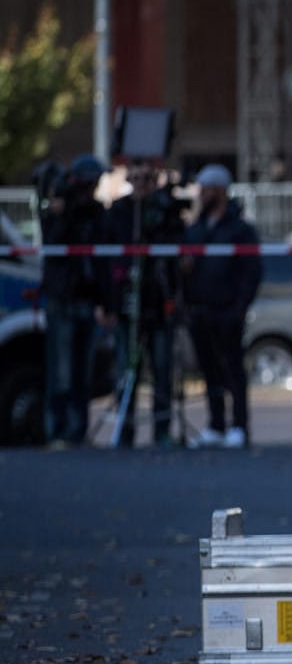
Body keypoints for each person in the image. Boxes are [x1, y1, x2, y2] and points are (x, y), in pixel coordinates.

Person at [102, 162, 187, 447]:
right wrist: (109, 304)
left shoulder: (163, 212)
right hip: (128, 306)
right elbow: (107, 259)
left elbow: (178, 252)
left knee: (162, 370)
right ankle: (125, 431)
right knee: (128, 370)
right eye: (136, 178)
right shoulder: (118, 213)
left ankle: (162, 430)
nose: (142, 184)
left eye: (148, 179)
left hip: (158, 302)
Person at [181, 165, 262, 449]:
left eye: (205, 190)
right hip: (200, 310)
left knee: (233, 370)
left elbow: (251, 272)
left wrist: (239, 307)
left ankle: (239, 426)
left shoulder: (239, 229)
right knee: (209, 371)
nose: (201, 196)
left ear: (219, 191)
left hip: (227, 311)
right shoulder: (196, 228)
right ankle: (216, 424)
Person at [39, 155, 109, 448]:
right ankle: (57, 430)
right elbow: (53, 245)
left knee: (82, 370)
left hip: (86, 299)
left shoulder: (95, 212)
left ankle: (78, 431)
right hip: (62, 299)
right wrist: (62, 212)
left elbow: (103, 257)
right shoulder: (58, 211)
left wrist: (104, 300)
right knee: (62, 370)